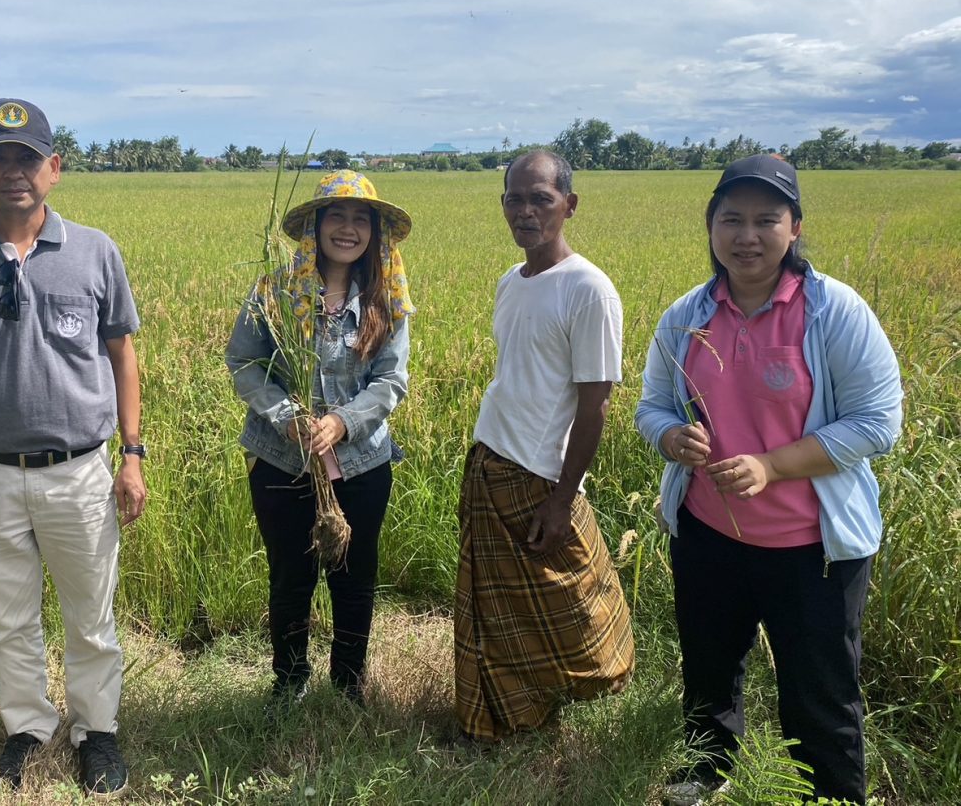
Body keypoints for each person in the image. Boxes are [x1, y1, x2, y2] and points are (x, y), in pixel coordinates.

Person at [635, 154, 903, 805]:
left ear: (795, 228)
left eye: (765, 219)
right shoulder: (685, 316)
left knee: (819, 692)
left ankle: (832, 796)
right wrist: (671, 436)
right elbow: (652, 406)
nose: (746, 235)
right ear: (711, 227)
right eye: (731, 219)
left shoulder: (833, 312)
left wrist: (771, 465)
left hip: (812, 548)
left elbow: (878, 423)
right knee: (707, 669)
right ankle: (707, 771)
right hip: (707, 534)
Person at [0, 98, 146, 797]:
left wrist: (132, 455)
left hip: (77, 470)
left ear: (55, 168)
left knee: (90, 614)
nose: (13, 171)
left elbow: (123, 355)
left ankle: (95, 732)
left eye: (27, 156)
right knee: (7, 617)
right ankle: (25, 727)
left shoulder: (95, 251)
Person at [454, 149, 635, 744]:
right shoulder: (513, 280)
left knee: (577, 604)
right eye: (514, 198)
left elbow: (595, 406)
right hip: (492, 462)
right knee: (493, 611)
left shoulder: (590, 289)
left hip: (539, 475)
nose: (525, 211)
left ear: (570, 205)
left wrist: (562, 500)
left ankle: (570, 694)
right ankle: (502, 718)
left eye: (541, 199)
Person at [226, 170, 414, 708]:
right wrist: (287, 415)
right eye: (338, 216)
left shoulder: (387, 295)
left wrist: (343, 422)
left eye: (362, 219)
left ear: (376, 232)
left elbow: (391, 379)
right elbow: (244, 361)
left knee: (354, 576)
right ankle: (289, 682)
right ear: (315, 225)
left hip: (361, 463)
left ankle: (349, 684)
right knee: (291, 575)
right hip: (281, 459)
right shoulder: (275, 289)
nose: (349, 229)